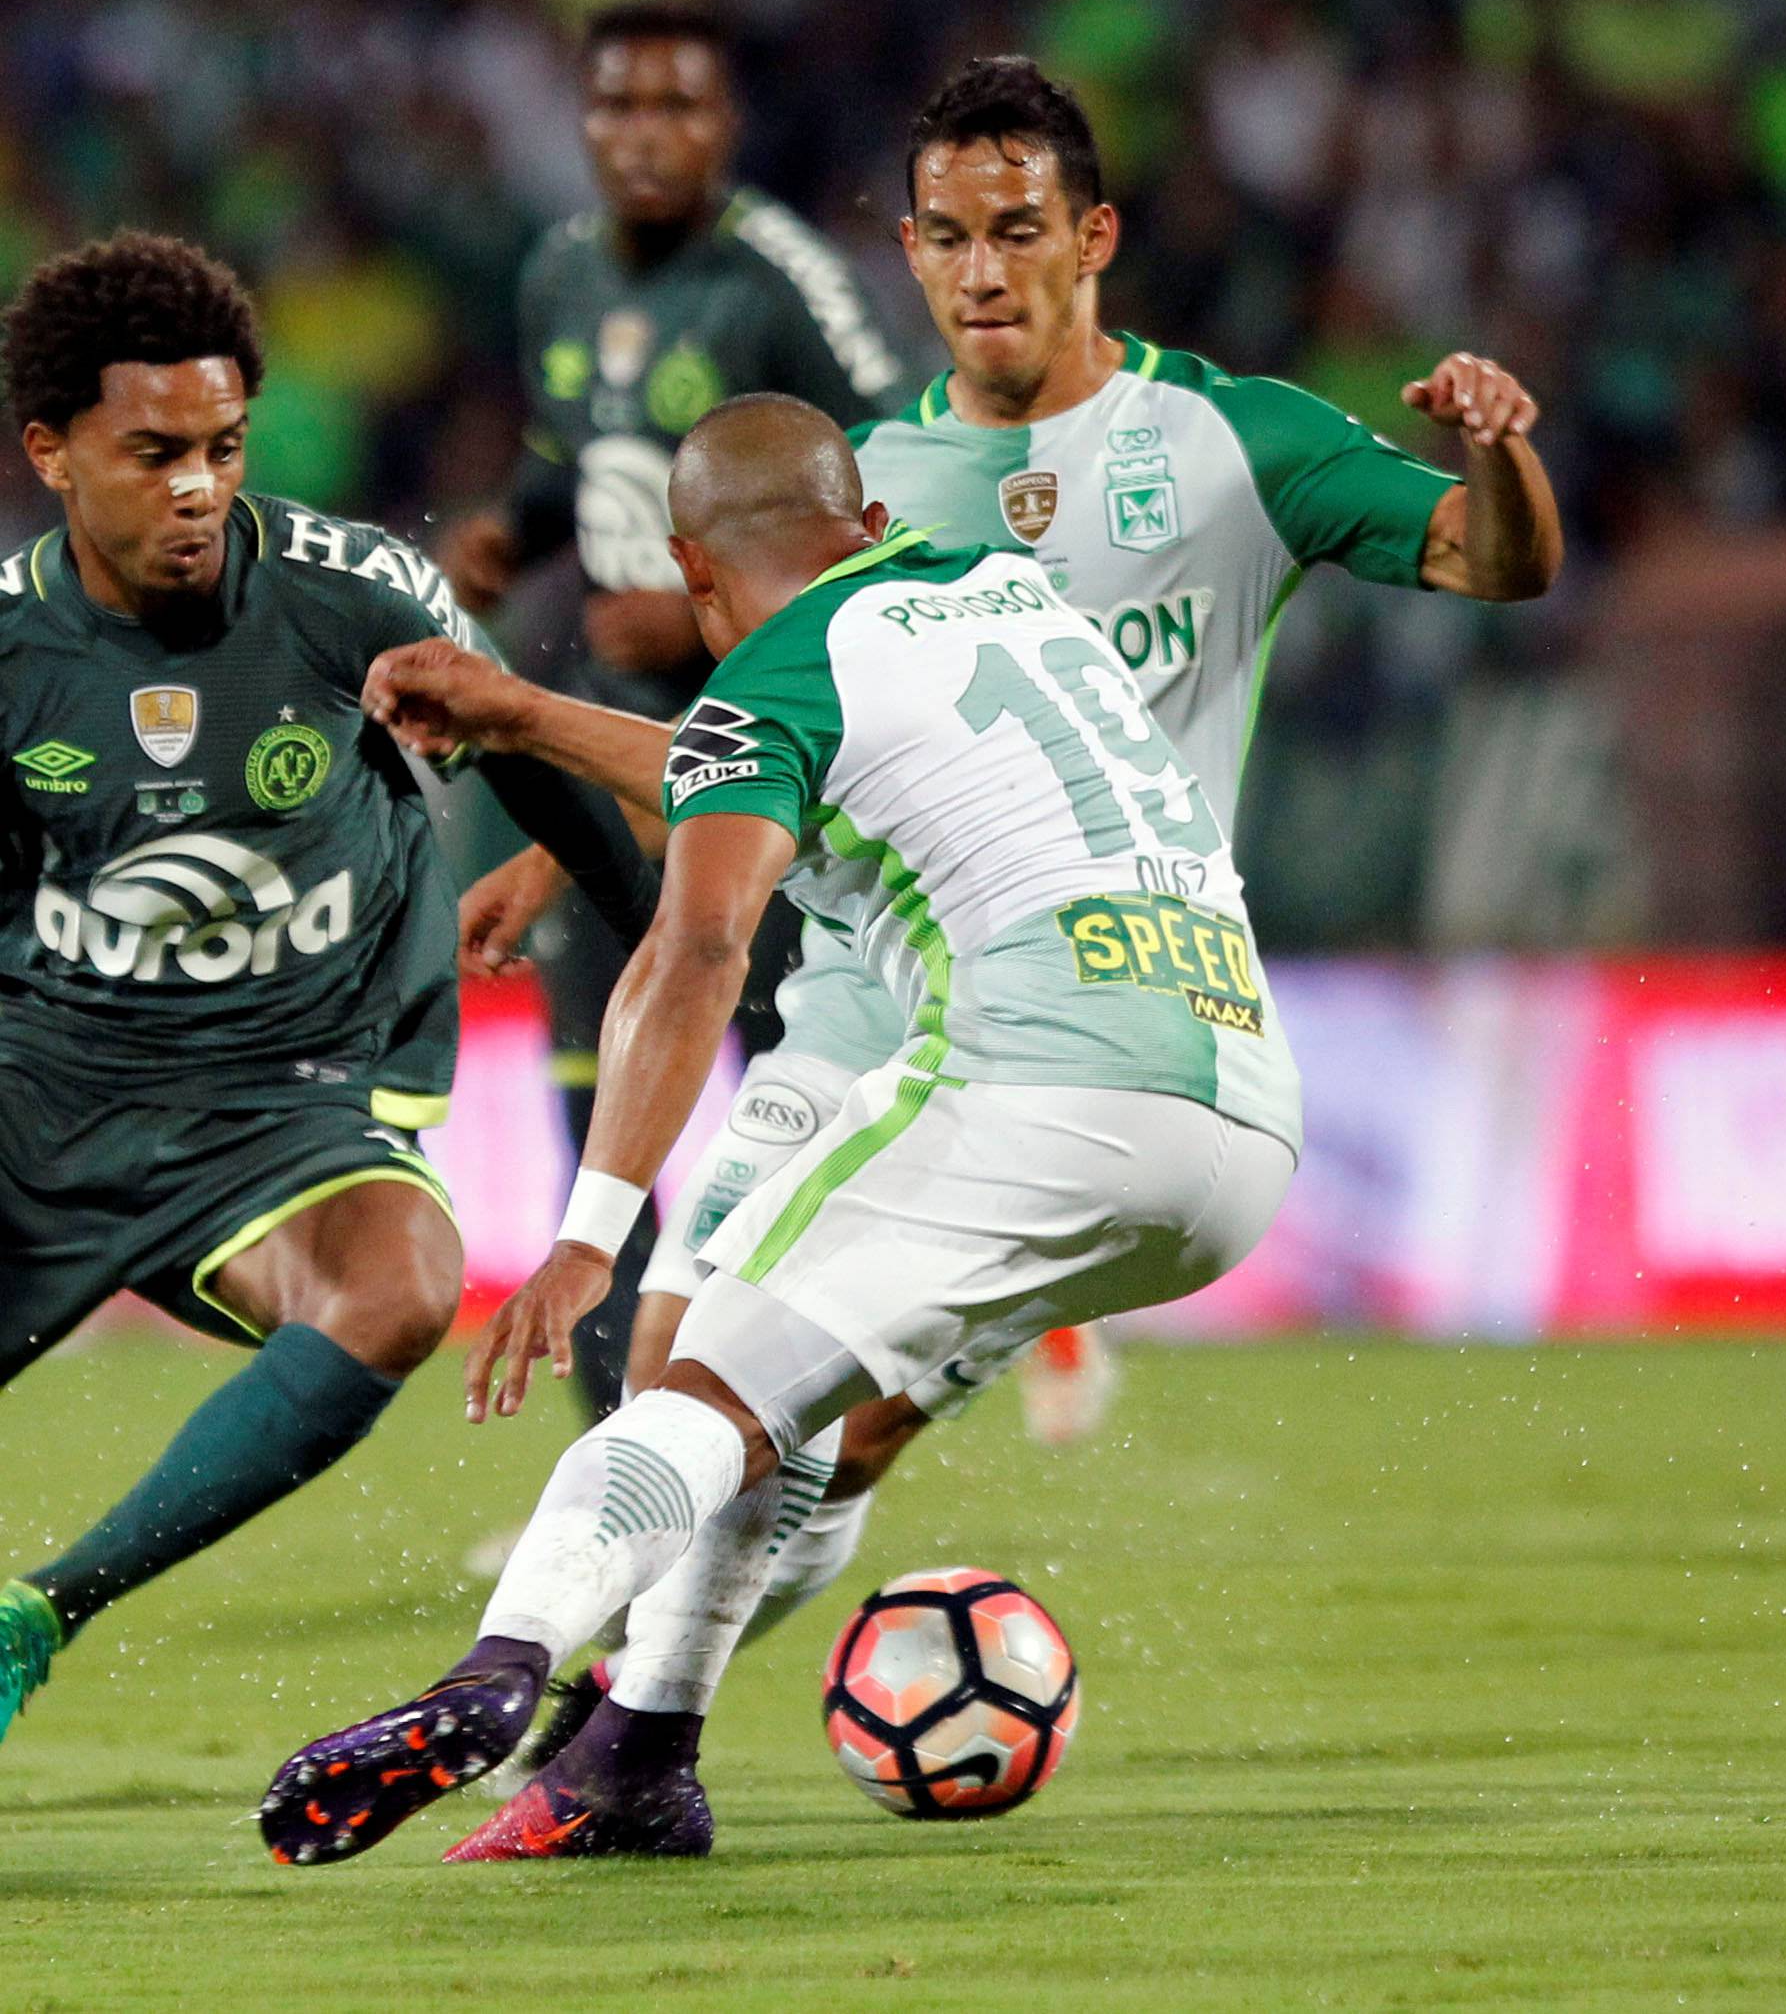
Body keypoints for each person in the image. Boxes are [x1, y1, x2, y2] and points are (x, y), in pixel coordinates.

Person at [457, 55, 1563, 1771]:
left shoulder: (1230, 442)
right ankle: (623, 1714)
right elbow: (755, 744)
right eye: (953, 238)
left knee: (839, 1427)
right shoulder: (871, 482)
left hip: (1071, 1026)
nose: (986, 272)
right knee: (694, 1372)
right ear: (911, 252)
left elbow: (1495, 566)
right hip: (858, 997)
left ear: (1094, 237)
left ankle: (617, 1708)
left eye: (1022, 232)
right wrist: (559, 850)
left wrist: (1493, 459)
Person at [260, 391, 1302, 1864]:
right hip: (1244, 1109)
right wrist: (531, 716)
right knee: (790, 1387)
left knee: (692, 1385)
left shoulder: (777, 679)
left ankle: (497, 1676)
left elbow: (695, 951)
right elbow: (765, 748)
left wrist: (585, 1235)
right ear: (868, 524)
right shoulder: (995, 591)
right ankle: (642, 1755)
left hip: (1045, 1086)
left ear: (692, 575)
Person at [0, 232, 654, 1743]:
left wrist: (668, 943)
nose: (197, 486)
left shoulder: (353, 593)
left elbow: (537, 768)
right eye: (152, 451)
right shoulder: (14, 653)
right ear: (51, 452)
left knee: (404, 1280)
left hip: (283, 1106)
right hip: (49, 1091)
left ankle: (43, 1608)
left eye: (222, 447)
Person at [439, 0, 903, 1426]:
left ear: (726, 125)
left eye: (679, 108)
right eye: (620, 107)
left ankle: (810, 1425)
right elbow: (563, 454)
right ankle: (610, 1465)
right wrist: (510, 534)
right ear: (582, 123)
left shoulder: (778, 281)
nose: (647, 137)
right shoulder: (561, 271)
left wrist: (721, 617)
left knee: (801, 1110)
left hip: (753, 748)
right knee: (604, 1108)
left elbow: (889, 494)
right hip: (603, 723)